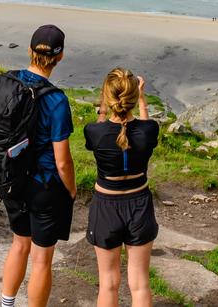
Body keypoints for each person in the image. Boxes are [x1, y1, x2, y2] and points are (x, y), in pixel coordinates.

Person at [0, 25, 76, 307]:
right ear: (61, 56)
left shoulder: (9, 83)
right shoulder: (56, 101)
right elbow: (63, 161)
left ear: (30, 50)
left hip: (12, 179)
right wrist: (71, 190)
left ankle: (6, 304)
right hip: (45, 186)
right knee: (42, 259)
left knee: (19, 244)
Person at [84, 68, 160, 307]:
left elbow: (100, 129)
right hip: (139, 204)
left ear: (108, 99)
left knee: (108, 283)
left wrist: (103, 110)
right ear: (133, 100)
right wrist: (142, 98)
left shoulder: (94, 132)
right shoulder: (149, 130)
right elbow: (145, 124)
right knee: (140, 283)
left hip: (106, 206)